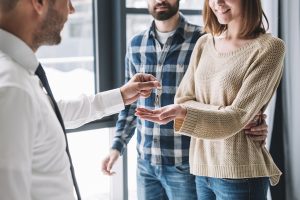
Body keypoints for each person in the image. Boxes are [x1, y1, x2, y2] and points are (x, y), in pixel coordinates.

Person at [102, 0, 269, 199]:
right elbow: (130, 105)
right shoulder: (136, 44)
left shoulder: (205, 39)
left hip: (187, 161)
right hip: (146, 162)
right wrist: (116, 147)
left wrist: (250, 117)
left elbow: (223, 97)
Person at [0, 0, 160, 200]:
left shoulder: (17, 76)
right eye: (66, 1)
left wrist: (121, 95)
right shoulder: (12, 86)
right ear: (39, 3)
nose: (71, 9)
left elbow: (56, 113)